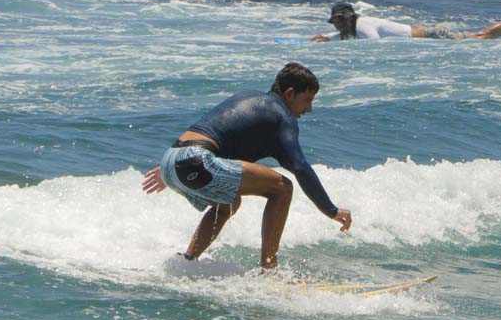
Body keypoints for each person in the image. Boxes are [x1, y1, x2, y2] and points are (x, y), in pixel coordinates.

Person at [142, 62, 352, 270]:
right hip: (196, 160)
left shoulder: (248, 97)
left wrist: (175, 166)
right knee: (282, 188)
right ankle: (269, 271)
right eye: (307, 100)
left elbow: (214, 132)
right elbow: (301, 167)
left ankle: (188, 260)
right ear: (289, 94)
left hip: (171, 160)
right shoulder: (282, 117)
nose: (309, 109)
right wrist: (331, 210)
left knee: (228, 202)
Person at [311, 2, 501, 42]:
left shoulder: (363, 26)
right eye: (334, 22)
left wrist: (335, 40)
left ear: (349, 18)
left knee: (483, 36)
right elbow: (349, 37)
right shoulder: (355, 27)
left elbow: (372, 45)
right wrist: (328, 38)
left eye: (339, 21)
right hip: (431, 35)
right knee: (482, 36)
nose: (337, 25)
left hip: (433, 36)